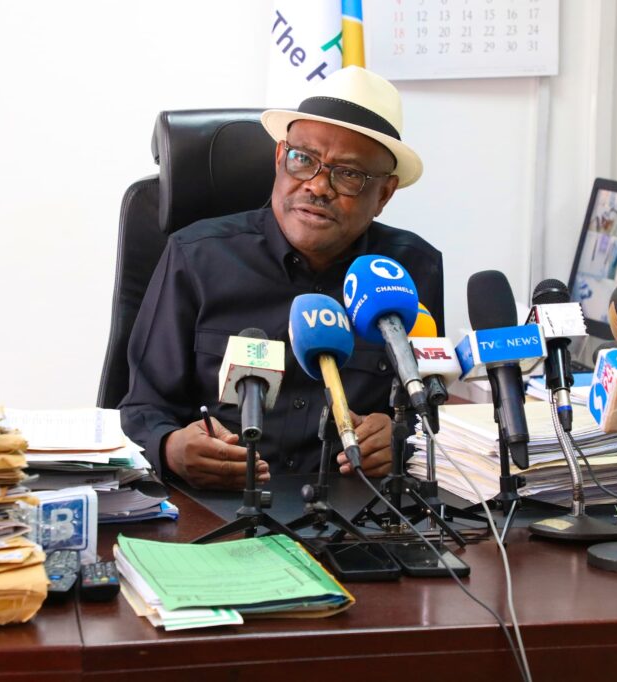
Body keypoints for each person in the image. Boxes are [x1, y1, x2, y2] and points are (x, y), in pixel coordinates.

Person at [119, 66, 444, 490]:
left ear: (383, 194)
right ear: (279, 159)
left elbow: (428, 410)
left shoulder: (409, 271)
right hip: (217, 508)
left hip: (355, 513)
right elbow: (144, 406)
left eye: (348, 174)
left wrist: (399, 435)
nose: (318, 186)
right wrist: (171, 448)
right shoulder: (195, 255)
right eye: (304, 159)